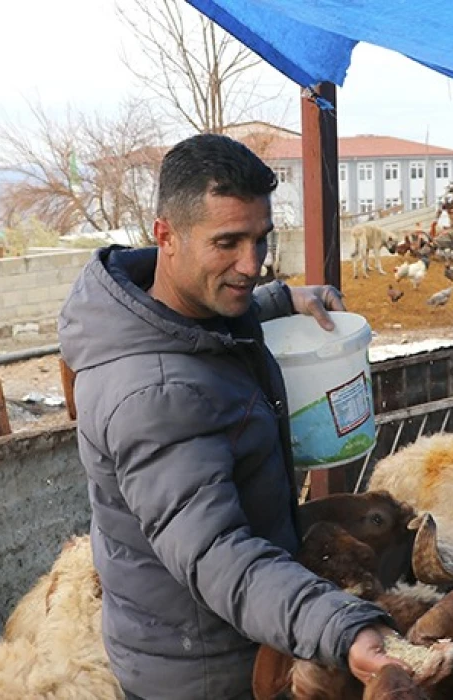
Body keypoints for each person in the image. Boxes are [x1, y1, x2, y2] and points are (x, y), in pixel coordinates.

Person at [58, 134, 410, 699]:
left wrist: (278, 300)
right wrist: (338, 627)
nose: (251, 264)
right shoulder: (156, 393)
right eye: (228, 243)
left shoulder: (179, 315)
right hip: (205, 672)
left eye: (260, 239)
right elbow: (217, 554)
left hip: (222, 640)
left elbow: (210, 322)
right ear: (165, 236)